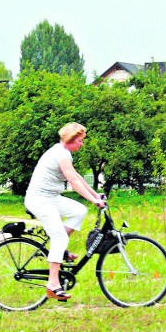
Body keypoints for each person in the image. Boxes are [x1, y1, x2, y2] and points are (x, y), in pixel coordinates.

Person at [24, 122, 105, 301]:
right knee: (60, 237)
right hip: (40, 200)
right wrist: (94, 201)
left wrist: (95, 195)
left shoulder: (63, 153)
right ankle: (53, 284)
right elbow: (74, 182)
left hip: (51, 198)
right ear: (70, 139)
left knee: (79, 211)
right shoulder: (61, 154)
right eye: (80, 141)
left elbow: (77, 177)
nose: (82, 144)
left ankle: (58, 249)